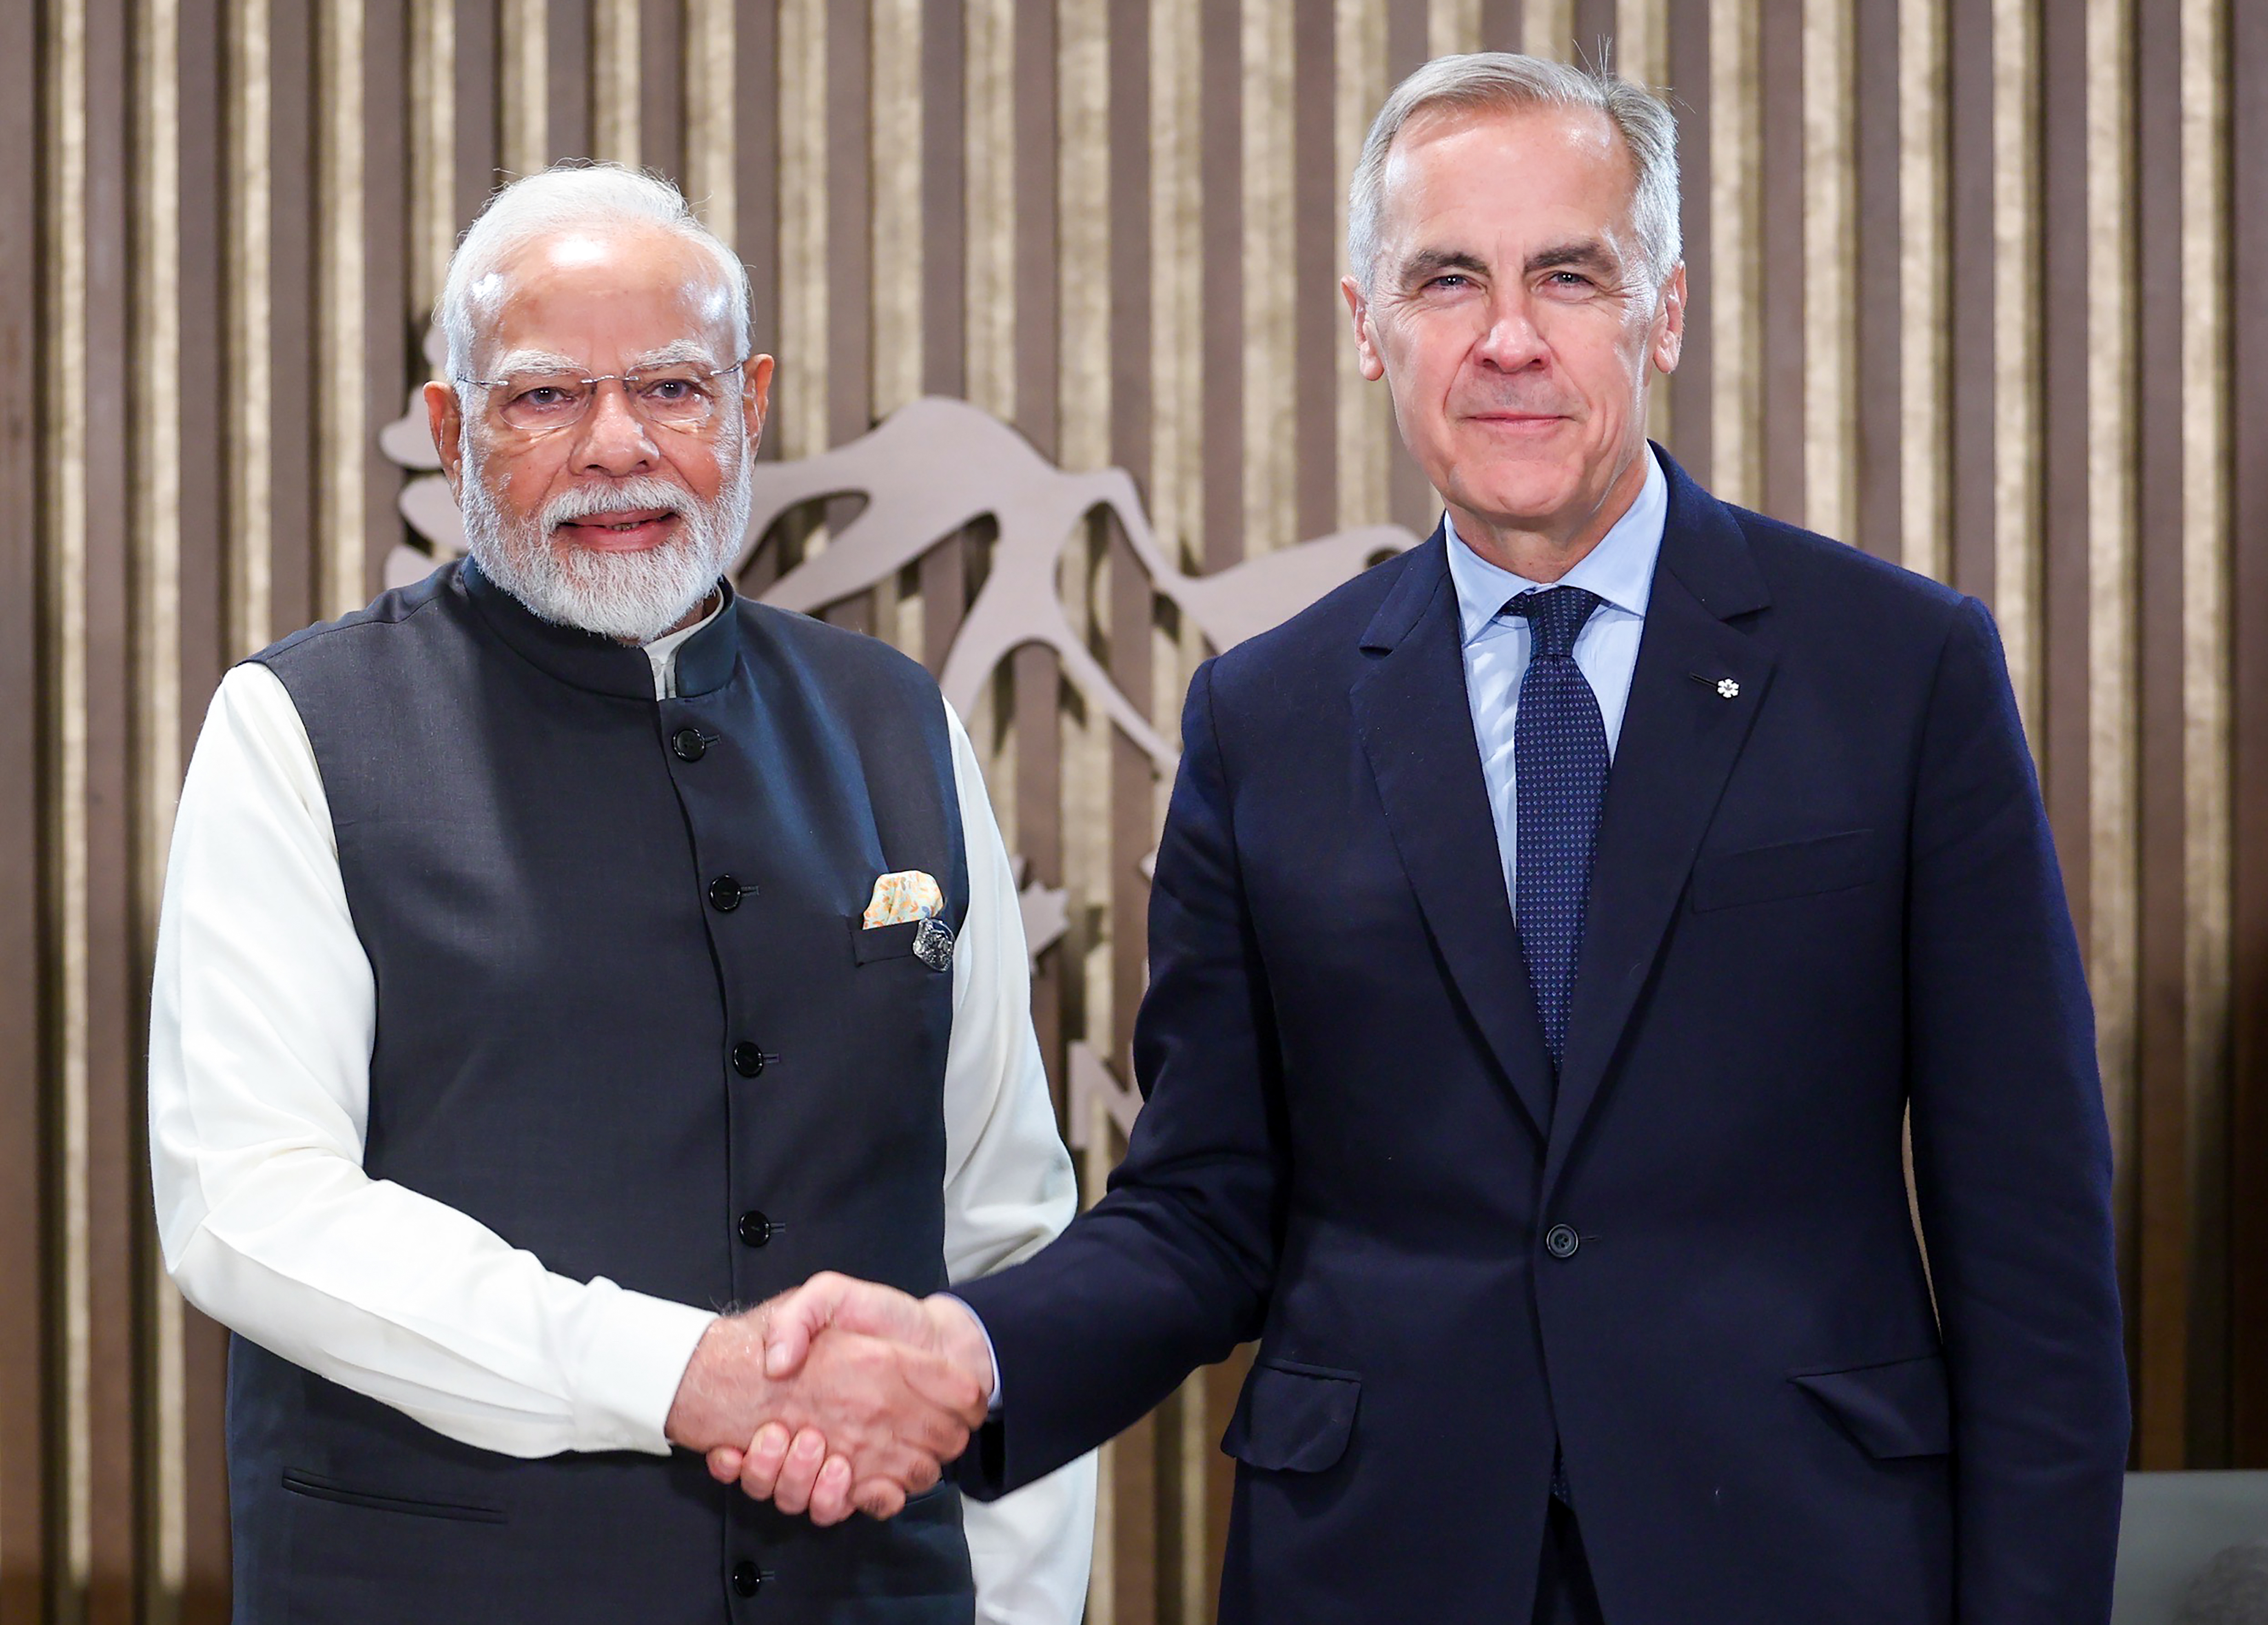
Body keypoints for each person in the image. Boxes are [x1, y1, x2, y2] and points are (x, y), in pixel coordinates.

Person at [736, 53, 2130, 1624]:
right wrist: (974, 1352)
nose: (1510, 338)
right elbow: (1204, 1204)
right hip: (1378, 1564)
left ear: (1664, 311)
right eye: (1448, 279)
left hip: (1797, 1555)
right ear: (1366, 326)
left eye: (1570, 275)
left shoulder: (1900, 669)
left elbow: (2035, 1248)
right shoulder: (1264, 717)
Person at [147, 163, 1095, 1624]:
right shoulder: (299, 727)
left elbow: (1006, 1227)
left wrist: (1022, 1611)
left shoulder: (897, 719)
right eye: (543, 398)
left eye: (671, 387)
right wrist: (676, 1373)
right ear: (453, 425)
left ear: (750, 404)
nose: (616, 448)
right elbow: (254, 1205)